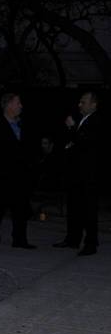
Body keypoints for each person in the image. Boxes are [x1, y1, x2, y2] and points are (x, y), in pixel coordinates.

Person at [53, 91, 102, 255]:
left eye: (83, 102)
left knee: (88, 209)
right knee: (74, 207)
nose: (79, 105)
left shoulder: (97, 120)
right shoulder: (82, 120)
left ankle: (91, 243)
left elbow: (86, 142)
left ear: (93, 104)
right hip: (76, 173)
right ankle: (73, 239)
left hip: (89, 175)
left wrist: (73, 129)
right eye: (80, 102)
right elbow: (76, 142)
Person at [0, 93, 36, 251]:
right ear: (8, 105)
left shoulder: (22, 124)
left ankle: (20, 239)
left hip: (21, 175)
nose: (20, 106)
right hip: (3, 175)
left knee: (20, 208)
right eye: (17, 103)